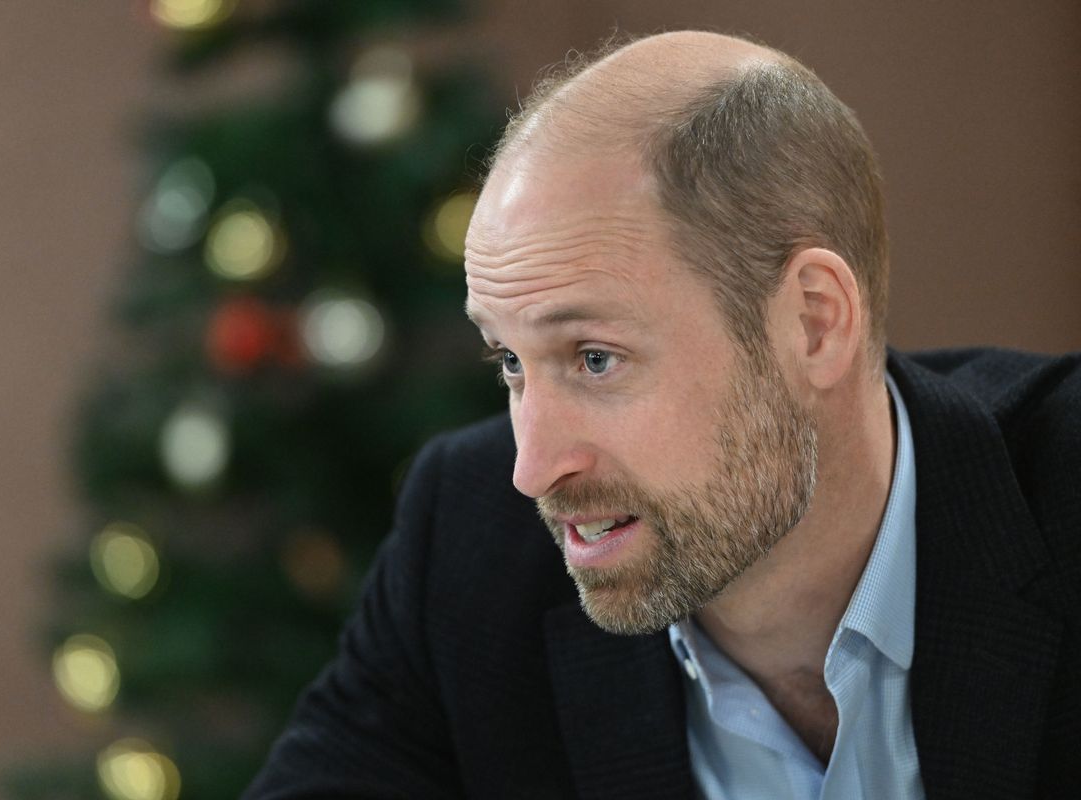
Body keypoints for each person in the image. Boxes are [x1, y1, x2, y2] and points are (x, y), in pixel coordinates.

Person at [244, 31, 1080, 799]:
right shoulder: (467, 545)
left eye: (594, 359)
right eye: (509, 362)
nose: (532, 468)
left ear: (813, 322)